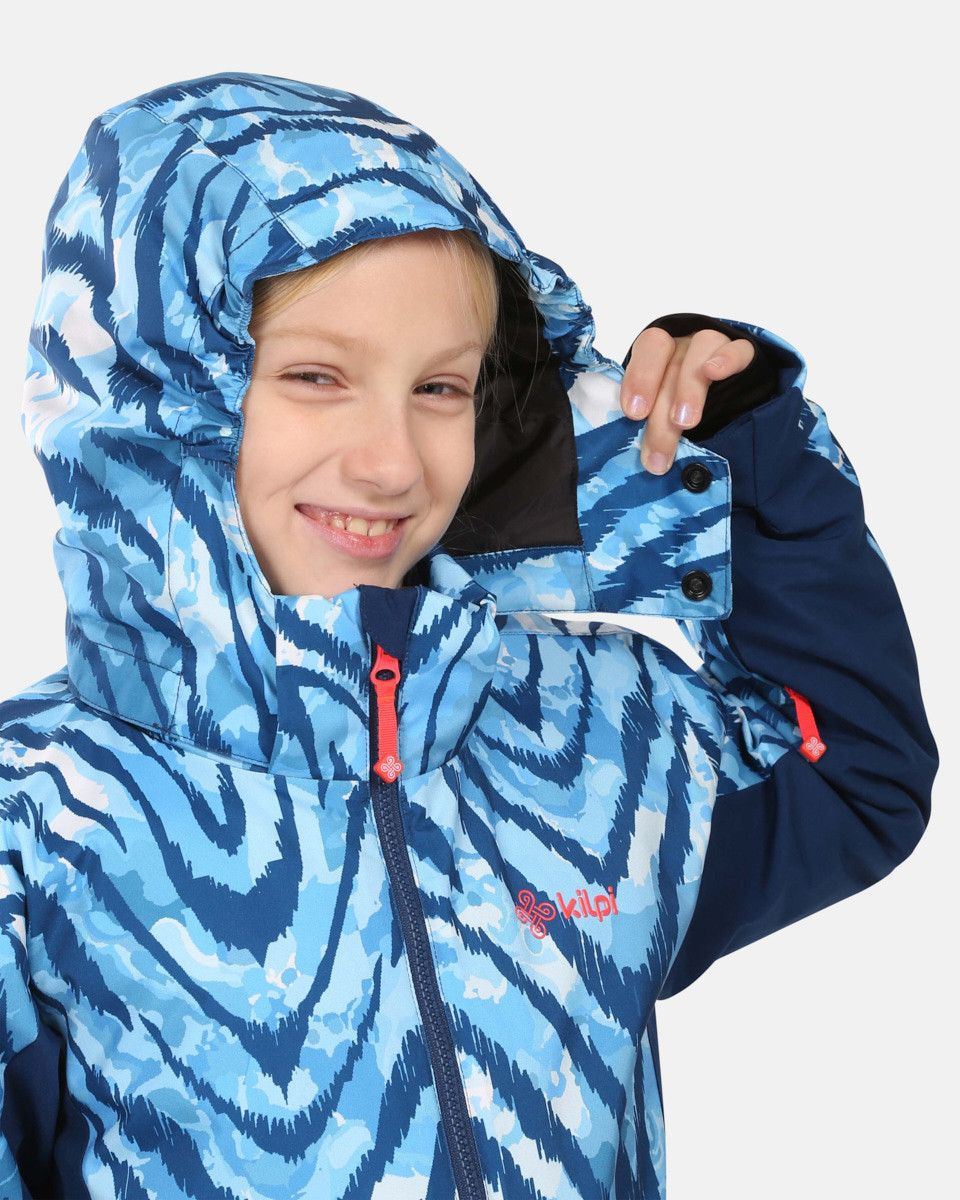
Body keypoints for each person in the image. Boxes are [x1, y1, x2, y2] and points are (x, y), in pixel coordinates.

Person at [0, 70, 937, 1200]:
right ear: (157, 396)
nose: (393, 462)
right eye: (316, 376)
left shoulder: (597, 736)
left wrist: (737, 454)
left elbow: (848, 767)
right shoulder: (39, 819)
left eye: (442, 388)